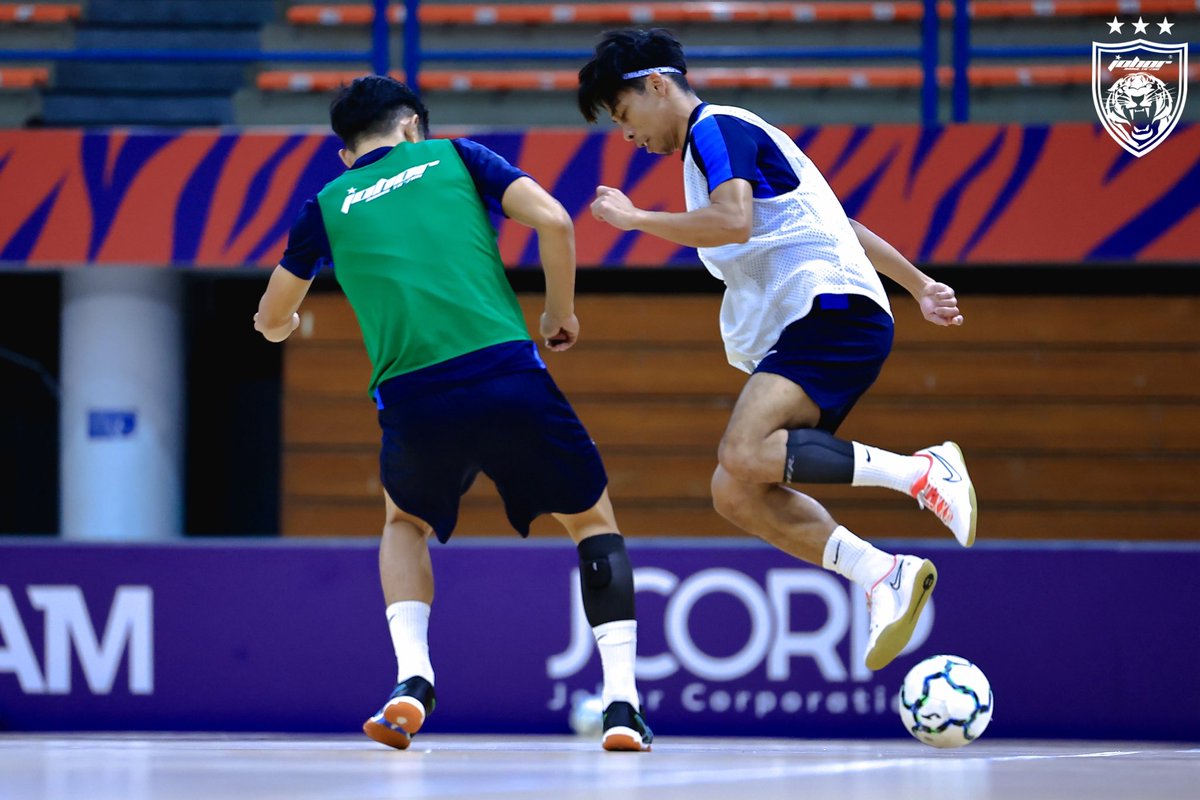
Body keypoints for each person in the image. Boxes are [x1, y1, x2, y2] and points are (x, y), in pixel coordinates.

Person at [254, 75, 652, 751]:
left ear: (347, 153)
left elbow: (268, 319)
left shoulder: (326, 203)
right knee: (590, 522)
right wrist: (559, 313)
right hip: (505, 372)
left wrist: (285, 321)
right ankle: (621, 704)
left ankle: (412, 680)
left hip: (413, 398)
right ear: (412, 126)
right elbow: (554, 220)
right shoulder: (457, 157)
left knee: (403, 524)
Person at [577, 29, 977, 672]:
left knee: (742, 449)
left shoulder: (715, 127)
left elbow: (733, 221)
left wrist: (636, 220)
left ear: (657, 85)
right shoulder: (715, 150)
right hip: (831, 317)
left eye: (624, 116)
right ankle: (884, 574)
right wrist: (920, 284)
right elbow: (835, 220)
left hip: (830, 311)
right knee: (735, 489)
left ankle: (924, 474)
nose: (628, 137)